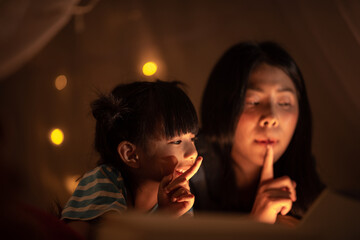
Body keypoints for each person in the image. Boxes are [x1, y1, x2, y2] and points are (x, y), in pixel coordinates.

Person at [191, 41, 325, 225]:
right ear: (223, 107)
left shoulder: (305, 178)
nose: (271, 117)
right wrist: (256, 226)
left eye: (285, 103)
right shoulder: (187, 169)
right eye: (253, 101)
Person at [61, 80, 202, 238]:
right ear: (130, 154)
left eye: (192, 139)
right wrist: (163, 219)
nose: (192, 153)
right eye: (176, 141)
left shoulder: (180, 197)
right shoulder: (103, 181)